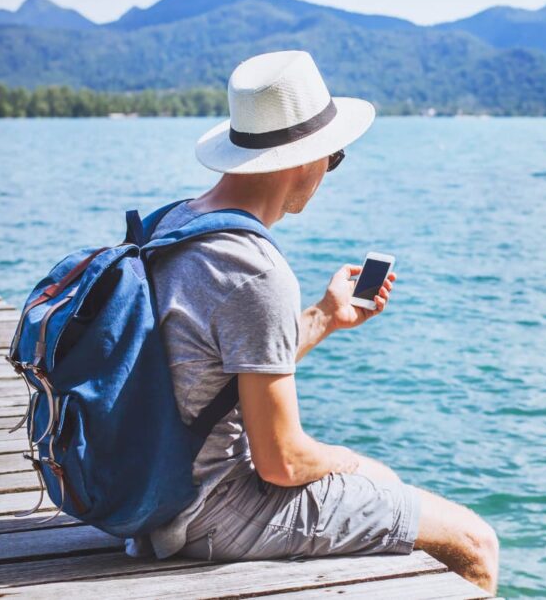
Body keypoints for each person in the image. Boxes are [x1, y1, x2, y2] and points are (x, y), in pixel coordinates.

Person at [125, 50, 499, 594]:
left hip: (149, 492)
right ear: (307, 159)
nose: (329, 171)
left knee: (383, 491)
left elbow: (207, 368)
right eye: (335, 156)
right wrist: (354, 462)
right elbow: (282, 461)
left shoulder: (175, 225)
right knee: (473, 542)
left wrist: (325, 316)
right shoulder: (255, 270)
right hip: (209, 510)